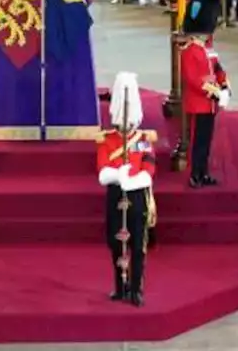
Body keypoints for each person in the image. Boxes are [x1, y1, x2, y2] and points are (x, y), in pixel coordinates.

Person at [96, 72, 157, 306]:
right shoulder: (106, 140)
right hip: (115, 195)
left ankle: (137, 289)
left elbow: (149, 167)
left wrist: (133, 180)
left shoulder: (143, 139)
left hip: (137, 196)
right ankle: (120, 287)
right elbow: (102, 170)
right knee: (116, 243)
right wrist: (116, 175)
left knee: (138, 245)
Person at [180, 0, 227, 189]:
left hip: (191, 37)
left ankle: (200, 168)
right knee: (201, 131)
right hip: (200, 41)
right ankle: (197, 170)